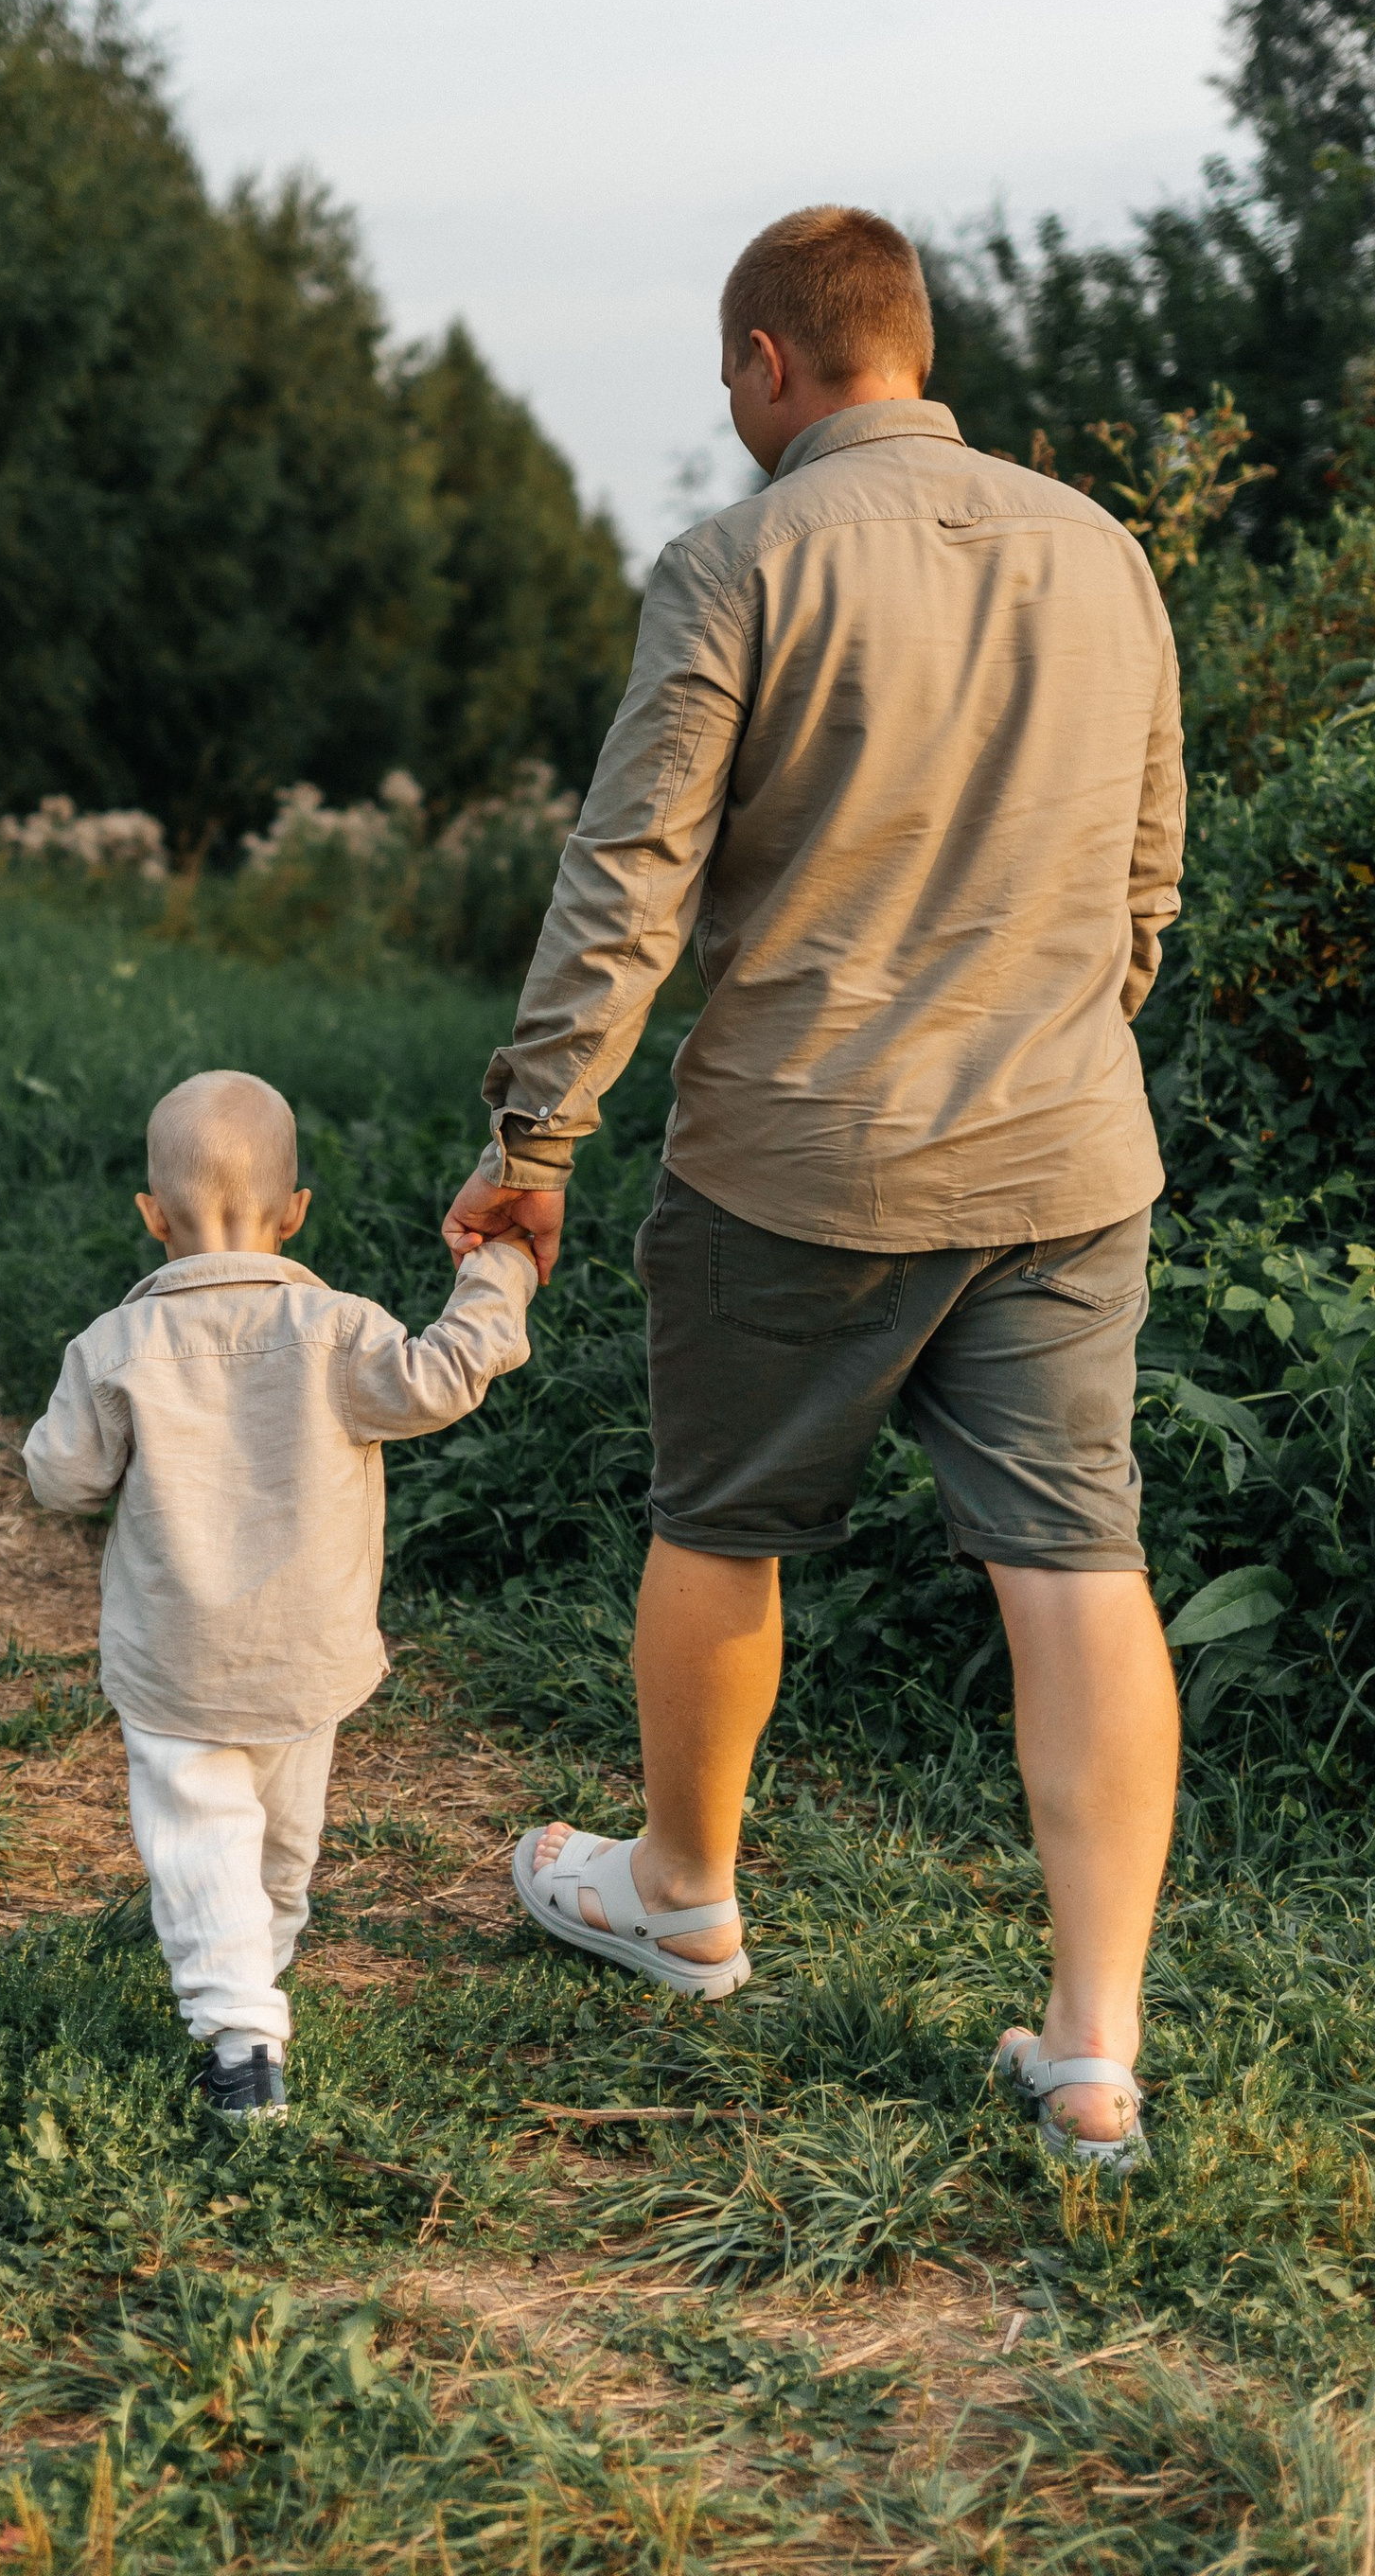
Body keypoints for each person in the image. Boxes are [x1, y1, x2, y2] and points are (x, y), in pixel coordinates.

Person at [443, 205, 1184, 2177]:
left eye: (726, 382)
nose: (730, 413)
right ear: (909, 349)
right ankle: (1091, 2052)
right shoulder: (1099, 552)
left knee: (721, 1518)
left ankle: (682, 1897)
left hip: (800, 1151)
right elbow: (1143, 880)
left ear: (774, 362)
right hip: (1061, 1152)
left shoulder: (735, 562)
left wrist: (532, 1144)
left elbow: (626, 883)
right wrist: (1050, 1041)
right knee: (1074, 1563)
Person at [23, 1067, 536, 2125]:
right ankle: (252, 1991)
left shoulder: (113, 1346)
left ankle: (242, 2030)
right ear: (296, 1211)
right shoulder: (341, 1331)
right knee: (277, 1844)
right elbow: (444, 1375)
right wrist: (504, 1271)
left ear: (151, 1216)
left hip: (174, 1659)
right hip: (307, 1655)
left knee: (198, 1832)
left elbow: (61, 1478)